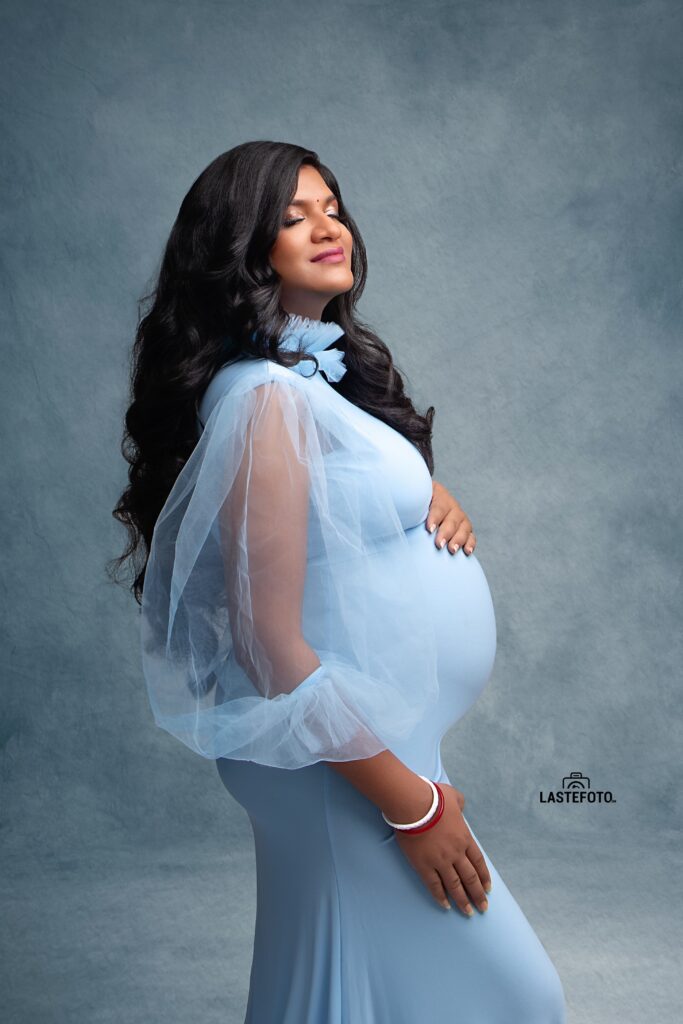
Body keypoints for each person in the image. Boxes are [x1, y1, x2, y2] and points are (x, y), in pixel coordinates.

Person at [111, 140, 567, 1022]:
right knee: (516, 999)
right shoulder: (265, 399)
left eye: (331, 207)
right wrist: (416, 808)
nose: (327, 228)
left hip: (350, 751)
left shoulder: (295, 384)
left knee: (345, 994)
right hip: (341, 764)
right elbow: (267, 641)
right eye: (291, 217)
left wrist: (424, 492)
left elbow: (319, 504)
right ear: (245, 250)